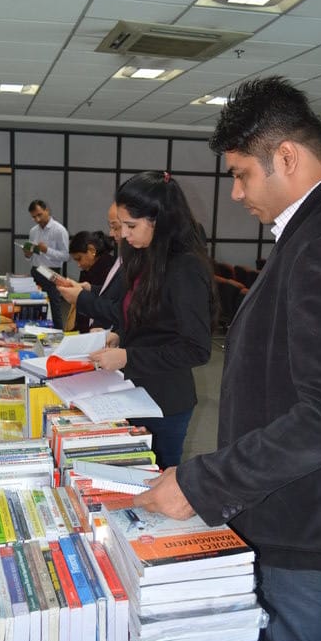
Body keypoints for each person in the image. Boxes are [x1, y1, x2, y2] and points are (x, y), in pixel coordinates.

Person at [135, 77, 321, 641]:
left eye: (241, 174)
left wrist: (205, 482)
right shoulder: (317, 229)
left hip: (306, 517)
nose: (236, 194)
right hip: (294, 503)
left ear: (286, 157)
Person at [89, 170, 214, 468]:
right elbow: (146, 316)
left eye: (131, 225)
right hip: (132, 390)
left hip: (164, 401)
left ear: (159, 220)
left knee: (157, 476)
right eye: (122, 225)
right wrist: (119, 334)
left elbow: (196, 349)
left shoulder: (185, 268)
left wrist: (127, 356)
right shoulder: (144, 255)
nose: (124, 234)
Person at [57, 202, 124, 331]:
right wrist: (89, 288)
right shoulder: (95, 268)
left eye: (116, 227)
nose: (111, 233)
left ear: (92, 251)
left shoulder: (107, 267)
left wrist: (80, 296)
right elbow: (109, 294)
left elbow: (113, 305)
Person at [24, 199, 69, 329]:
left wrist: (47, 250)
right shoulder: (33, 231)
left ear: (47, 210)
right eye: (34, 217)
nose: (37, 219)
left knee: (54, 307)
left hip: (51, 272)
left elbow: (65, 256)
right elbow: (31, 255)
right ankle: (36, 332)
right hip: (36, 270)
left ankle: (58, 334)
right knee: (35, 306)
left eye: (39, 215)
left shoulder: (59, 230)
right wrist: (28, 254)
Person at [63, 230, 115, 332]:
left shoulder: (108, 269)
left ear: (92, 250)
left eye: (79, 259)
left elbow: (103, 306)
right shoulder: (90, 269)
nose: (79, 265)